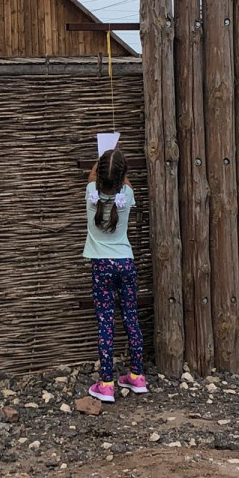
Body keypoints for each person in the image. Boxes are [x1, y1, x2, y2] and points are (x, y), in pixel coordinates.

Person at [84, 148, 147, 402]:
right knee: (131, 317)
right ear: (123, 177)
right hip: (126, 263)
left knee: (105, 321)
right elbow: (122, 181)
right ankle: (137, 376)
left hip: (102, 266)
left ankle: (106, 383)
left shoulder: (91, 194)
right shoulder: (127, 195)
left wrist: (102, 155)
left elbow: (93, 176)